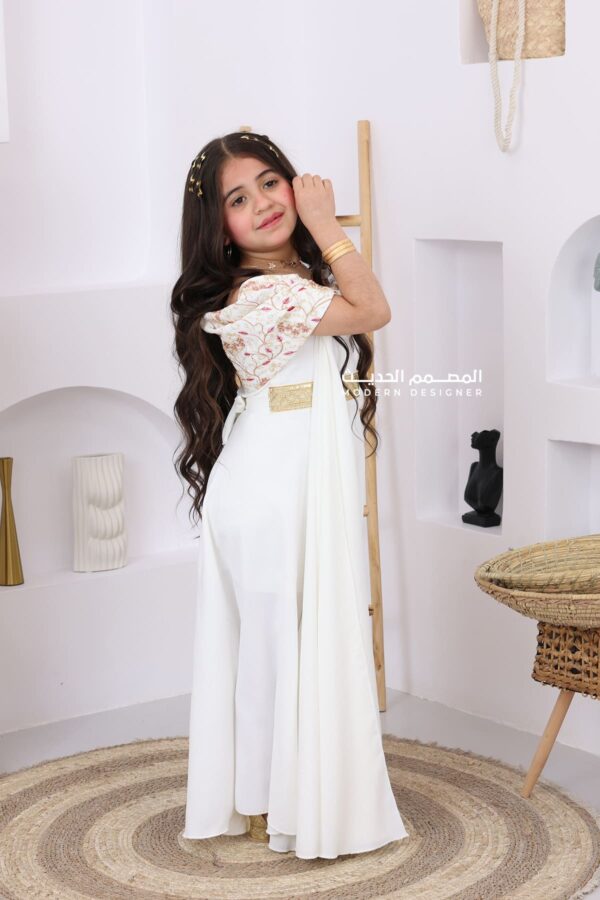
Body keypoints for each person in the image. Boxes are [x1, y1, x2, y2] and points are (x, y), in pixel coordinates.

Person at [170, 131, 409, 859]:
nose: (264, 204)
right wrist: (328, 224)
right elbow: (373, 309)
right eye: (238, 200)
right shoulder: (266, 293)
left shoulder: (292, 279)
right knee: (281, 643)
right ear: (220, 229)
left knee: (284, 643)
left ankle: (280, 799)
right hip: (271, 494)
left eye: (271, 183)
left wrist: (319, 240)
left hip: (282, 479)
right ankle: (275, 800)